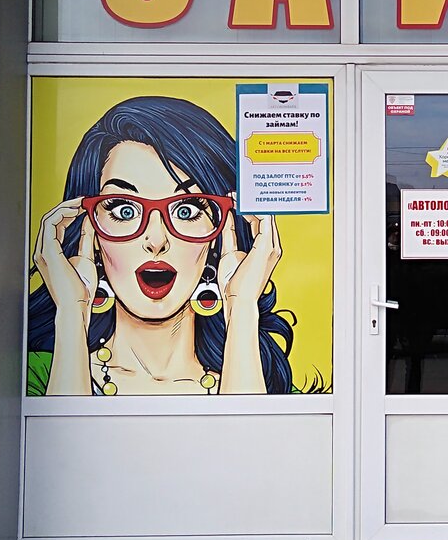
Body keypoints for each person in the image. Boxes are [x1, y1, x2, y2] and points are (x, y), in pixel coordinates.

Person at [26, 96, 294, 395]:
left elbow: (251, 427)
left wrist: (242, 307)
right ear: (90, 230)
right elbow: (61, 426)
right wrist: (72, 312)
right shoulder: (38, 376)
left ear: (220, 233)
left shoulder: (265, 383)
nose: (156, 241)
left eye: (187, 210)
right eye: (124, 210)